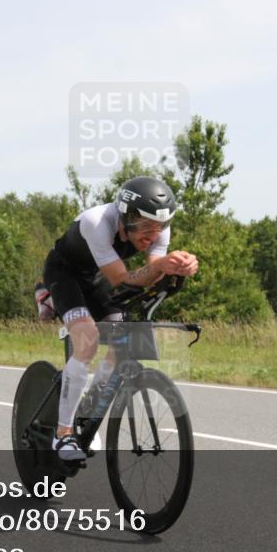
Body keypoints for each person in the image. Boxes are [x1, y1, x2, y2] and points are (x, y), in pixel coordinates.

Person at [42, 176, 199, 461]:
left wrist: (178, 267)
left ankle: (87, 412)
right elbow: (123, 279)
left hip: (98, 277)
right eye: (145, 226)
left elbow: (152, 271)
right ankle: (63, 433)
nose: (152, 235)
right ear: (126, 216)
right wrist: (161, 267)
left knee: (122, 341)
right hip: (65, 275)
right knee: (87, 340)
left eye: (159, 227)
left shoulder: (159, 228)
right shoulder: (97, 222)